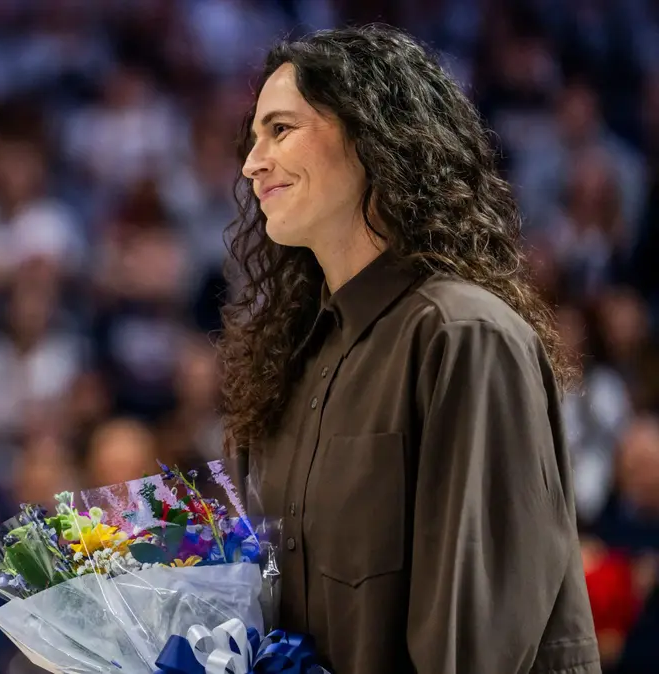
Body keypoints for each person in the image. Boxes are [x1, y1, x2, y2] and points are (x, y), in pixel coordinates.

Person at [219, 24, 600, 674]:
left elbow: (477, 644)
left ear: (372, 133)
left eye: (280, 130)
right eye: (253, 138)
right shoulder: (292, 363)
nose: (252, 162)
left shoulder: (463, 337)